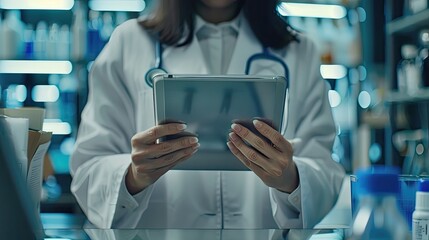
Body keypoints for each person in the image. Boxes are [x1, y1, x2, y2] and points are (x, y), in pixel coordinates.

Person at [70, 0, 345, 229]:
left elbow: (326, 172)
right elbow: (88, 170)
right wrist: (132, 176)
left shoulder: (299, 51)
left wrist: (291, 179)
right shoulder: (129, 42)